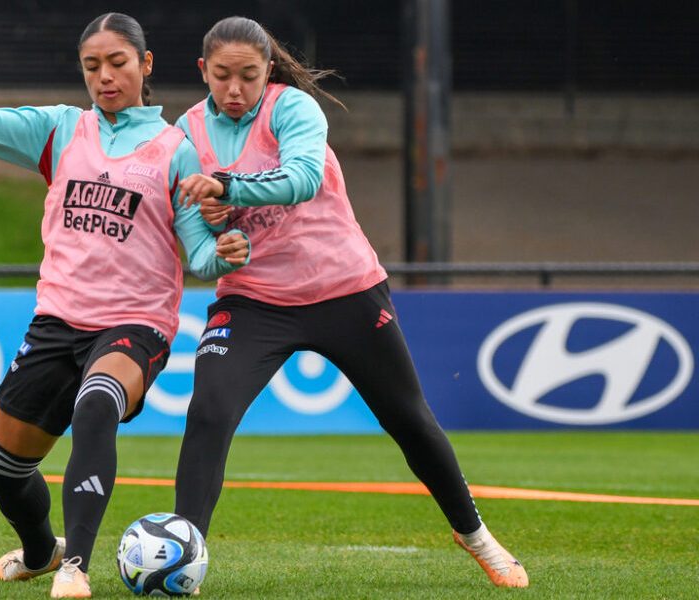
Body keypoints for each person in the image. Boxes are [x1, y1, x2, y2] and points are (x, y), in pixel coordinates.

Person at [172, 16, 528, 589]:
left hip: (345, 289)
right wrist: (220, 247)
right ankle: (181, 557)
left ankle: (475, 535)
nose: (234, 89)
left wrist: (227, 188)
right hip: (254, 300)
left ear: (269, 70)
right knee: (209, 413)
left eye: (248, 75)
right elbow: (197, 243)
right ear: (202, 71)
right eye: (221, 76)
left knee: (409, 419)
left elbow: (303, 179)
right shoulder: (187, 133)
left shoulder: (293, 108)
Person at [0, 3, 250, 598]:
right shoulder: (61, 129)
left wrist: (226, 252)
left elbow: (199, 255)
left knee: (96, 403)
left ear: (146, 64)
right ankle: (43, 552)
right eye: (91, 66)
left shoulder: (175, 149)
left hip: (136, 323)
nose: (105, 76)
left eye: (117, 62)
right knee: (3, 471)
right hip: (57, 320)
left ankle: (75, 566)